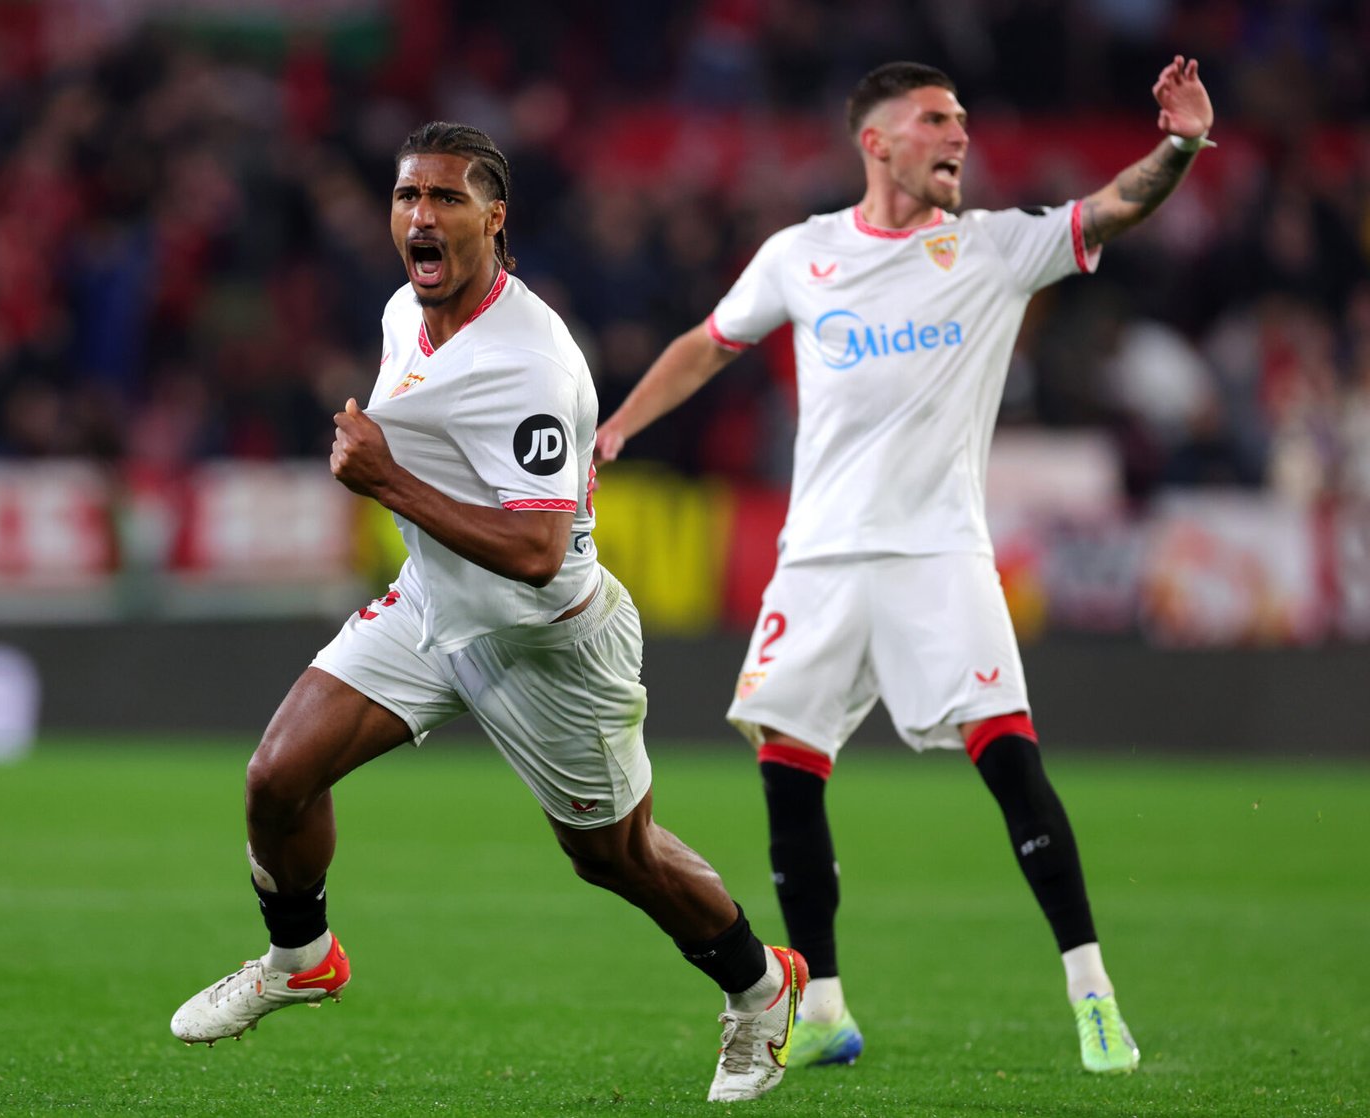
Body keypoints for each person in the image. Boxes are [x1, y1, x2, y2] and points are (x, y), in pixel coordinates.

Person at [595, 57, 1217, 1076]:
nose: (958, 134)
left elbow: (1110, 208)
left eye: (963, 118)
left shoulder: (991, 249)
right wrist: (619, 425)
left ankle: (1092, 991)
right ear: (876, 140)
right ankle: (826, 1004)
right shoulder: (803, 254)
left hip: (939, 552)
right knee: (786, 769)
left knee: (1009, 759)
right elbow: (709, 343)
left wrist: (1180, 144)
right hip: (819, 558)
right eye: (936, 118)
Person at [170, 121, 807, 1103]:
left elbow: (537, 549)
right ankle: (300, 955)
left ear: (495, 219)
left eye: (445, 199)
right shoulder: (401, 312)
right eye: (405, 197)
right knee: (276, 777)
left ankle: (759, 985)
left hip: (548, 639)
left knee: (614, 855)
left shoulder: (533, 363)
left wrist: (384, 480)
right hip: (431, 602)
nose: (419, 216)